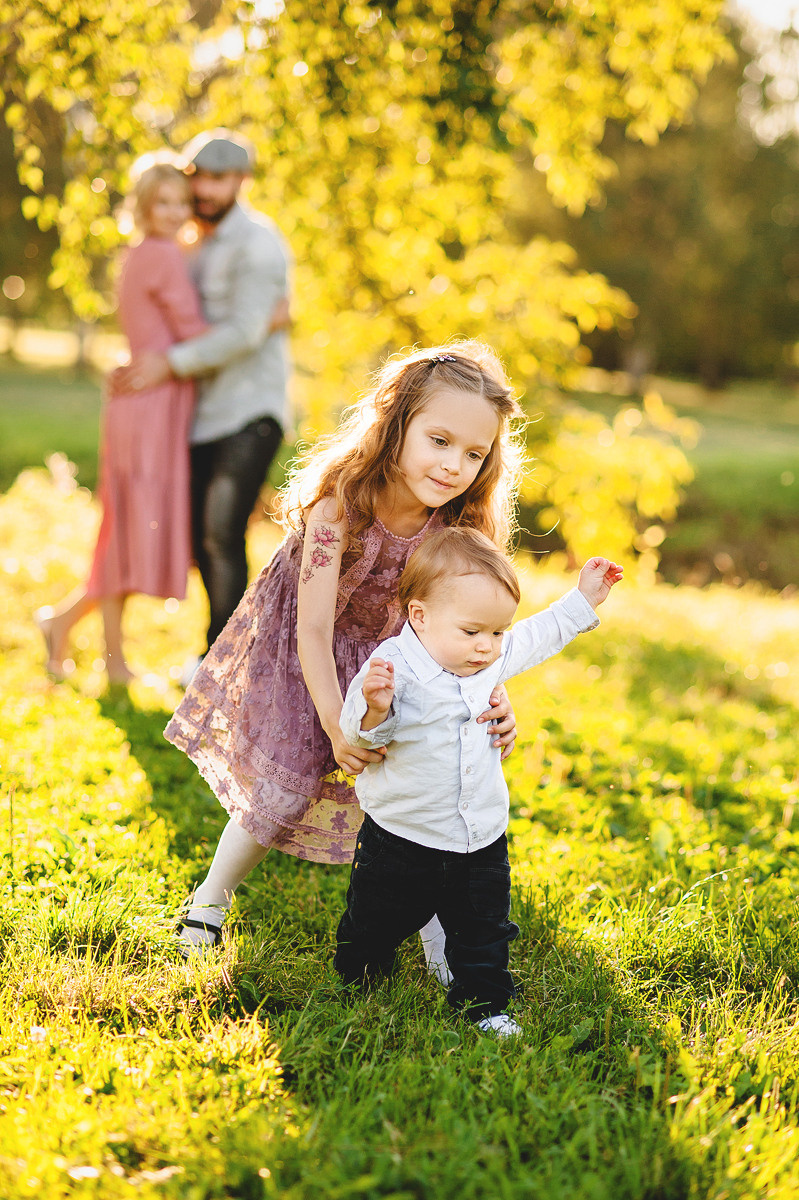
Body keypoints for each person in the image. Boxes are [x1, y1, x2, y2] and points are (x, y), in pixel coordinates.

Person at [165, 342, 524, 963]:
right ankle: (210, 900)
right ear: (395, 427)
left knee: (426, 783)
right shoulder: (340, 509)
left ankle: (441, 934)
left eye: (473, 453)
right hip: (306, 647)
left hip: (395, 659)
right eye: (438, 441)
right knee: (290, 777)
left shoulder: (460, 529)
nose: (453, 466)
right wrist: (336, 723)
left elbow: (474, 630)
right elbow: (310, 629)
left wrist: (494, 698)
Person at [335, 527, 623, 1036]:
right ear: (420, 616)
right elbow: (359, 731)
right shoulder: (392, 667)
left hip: (479, 833)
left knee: (483, 929)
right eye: (473, 632)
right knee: (375, 920)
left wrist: (584, 599)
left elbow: (538, 635)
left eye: (497, 632)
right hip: (402, 835)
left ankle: (484, 1004)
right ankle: (361, 972)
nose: (488, 647)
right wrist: (375, 707)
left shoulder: (487, 656)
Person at [113, 130, 291, 674]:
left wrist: (168, 364)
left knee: (221, 528)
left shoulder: (259, 245)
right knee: (199, 535)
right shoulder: (190, 241)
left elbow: (240, 334)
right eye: (200, 178)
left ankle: (223, 660)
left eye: (220, 178)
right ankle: (219, 651)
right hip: (199, 413)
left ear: (242, 181)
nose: (207, 189)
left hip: (249, 410)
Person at [35, 162, 208, 682]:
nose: (176, 212)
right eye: (164, 203)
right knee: (129, 532)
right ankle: (100, 652)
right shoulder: (161, 256)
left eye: (183, 202)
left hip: (142, 403)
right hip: (150, 406)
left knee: (126, 529)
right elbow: (193, 330)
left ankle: (73, 631)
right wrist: (266, 318)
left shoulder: (140, 254)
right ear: (144, 207)